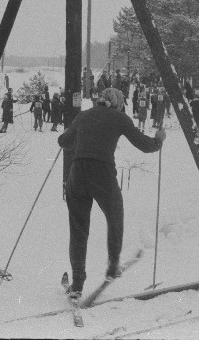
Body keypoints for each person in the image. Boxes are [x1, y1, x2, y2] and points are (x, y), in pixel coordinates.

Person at [58, 87, 165, 297]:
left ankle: (77, 283)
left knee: (78, 229)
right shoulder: (120, 118)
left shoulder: (83, 116)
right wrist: (158, 140)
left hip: (77, 174)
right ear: (118, 102)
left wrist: (80, 133)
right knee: (115, 217)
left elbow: (63, 141)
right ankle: (112, 265)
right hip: (102, 174)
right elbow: (144, 145)